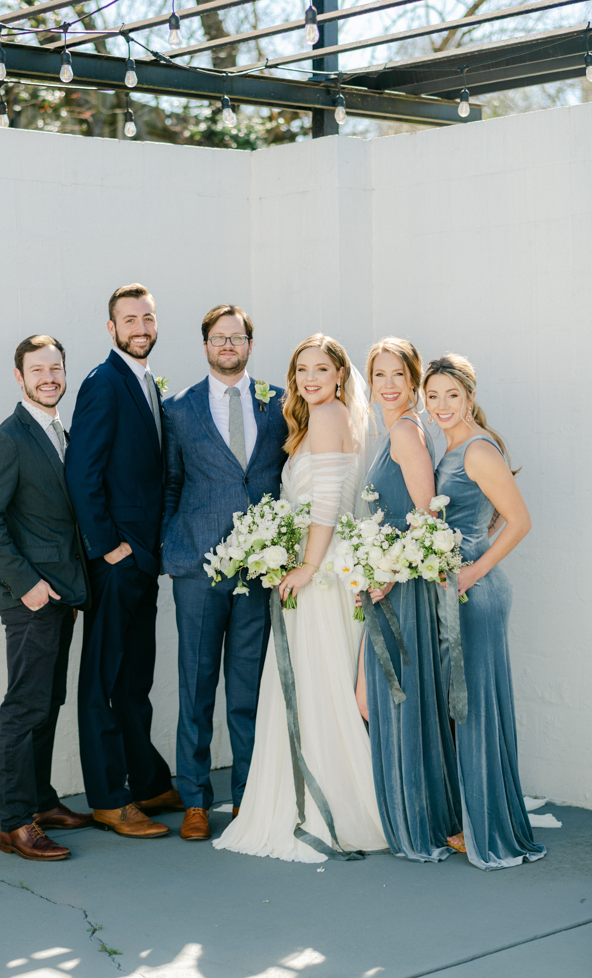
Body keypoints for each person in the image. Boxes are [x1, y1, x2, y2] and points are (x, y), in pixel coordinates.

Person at [214, 335, 387, 862]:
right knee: (320, 683)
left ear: (339, 374)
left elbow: (330, 501)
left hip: (323, 571)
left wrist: (307, 566)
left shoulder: (331, 415)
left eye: (321, 369)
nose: (310, 378)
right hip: (324, 563)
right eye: (301, 370)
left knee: (319, 685)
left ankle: (334, 806)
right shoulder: (324, 417)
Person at [162, 304, 287, 842]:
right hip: (198, 567)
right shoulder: (179, 410)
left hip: (259, 570)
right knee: (196, 685)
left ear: (249, 345)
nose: (228, 345)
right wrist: (174, 545)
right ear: (206, 345)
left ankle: (247, 795)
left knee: (248, 687)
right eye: (219, 338)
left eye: (237, 337)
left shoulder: (280, 405)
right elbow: (168, 482)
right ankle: (194, 800)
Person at [0, 335, 93, 862]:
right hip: (31, 600)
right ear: (19, 377)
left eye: (56, 368)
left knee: (49, 702)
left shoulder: (61, 430)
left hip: (63, 593)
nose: (48, 377)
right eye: (37, 370)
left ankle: (40, 800)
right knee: (24, 707)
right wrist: (27, 584)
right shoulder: (10, 439)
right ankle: (15, 823)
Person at [65, 284, 180, 841]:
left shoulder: (147, 383)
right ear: (111, 328)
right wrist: (107, 545)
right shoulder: (102, 383)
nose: (141, 326)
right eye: (129, 319)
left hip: (143, 559)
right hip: (116, 560)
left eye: (148, 317)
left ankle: (149, 781)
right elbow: (81, 474)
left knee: (136, 678)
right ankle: (110, 798)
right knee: (104, 680)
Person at [424, 353, 546, 870]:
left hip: (476, 594)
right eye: (432, 396)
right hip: (458, 587)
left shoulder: (476, 449)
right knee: (462, 703)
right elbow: (481, 518)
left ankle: (486, 828)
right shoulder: (449, 447)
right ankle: (473, 819)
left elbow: (519, 520)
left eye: (452, 395)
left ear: (470, 397)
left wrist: (473, 569)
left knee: (473, 706)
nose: (442, 405)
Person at [356, 338, 461, 862]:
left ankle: (418, 823)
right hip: (388, 581)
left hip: (401, 589)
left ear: (414, 380)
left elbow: (428, 516)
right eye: (380, 375)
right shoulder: (398, 430)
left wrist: (390, 572)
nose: (389, 384)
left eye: (398, 374)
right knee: (386, 698)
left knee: (400, 699)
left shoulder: (404, 431)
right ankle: (416, 815)